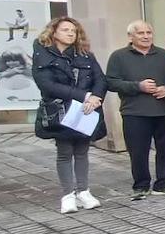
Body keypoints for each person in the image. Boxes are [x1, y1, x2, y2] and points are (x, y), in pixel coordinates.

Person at [31, 17, 108, 214]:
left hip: (86, 110)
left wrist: (96, 97)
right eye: (65, 30)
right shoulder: (43, 54)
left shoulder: (85, 55)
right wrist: (84, 96)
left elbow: (100, 79)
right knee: (65, 152)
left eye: (73, 30)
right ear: (54, 32)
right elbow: (47, 85)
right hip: (60, 110)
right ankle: (68, 195)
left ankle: (83, 191)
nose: (70, 33)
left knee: (82, 151)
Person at [105, 21, 165, 200]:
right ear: (130, 36)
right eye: (141, 33)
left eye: (149, 32)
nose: (146, 36)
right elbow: (111, 82)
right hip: (135, 112)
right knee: (138, 151)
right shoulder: (118, 57)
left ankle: (164, 183)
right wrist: (137, 86)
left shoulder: (164, 55)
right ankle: (141, 185)